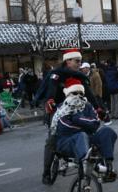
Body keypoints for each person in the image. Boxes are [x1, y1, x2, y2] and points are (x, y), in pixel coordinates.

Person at [32, 49, 102, 184]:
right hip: (57, 110)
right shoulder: (56, 74)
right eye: (77, 61)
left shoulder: (80, 76)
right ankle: (46, 172)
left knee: (89, 131)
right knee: (51, 141)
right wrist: (50, 100)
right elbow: (51, 89)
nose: (79, 64)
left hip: (77, 110)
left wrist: (99, 107)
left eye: (80, 61)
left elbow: (89, 94)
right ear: (67, 61)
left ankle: (88, 160)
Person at [54, 77, 118, 182]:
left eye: (80, 93)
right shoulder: (62, 108)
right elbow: (65, 126)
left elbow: (96, 122)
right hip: (67, 141)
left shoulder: (87, 105)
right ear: (68, 94)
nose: (78, 95)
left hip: (87, 139)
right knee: (81, 135)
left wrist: (77, 119)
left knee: (107, 131)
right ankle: (87, 165)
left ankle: (108, 166)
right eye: (74, 93)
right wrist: (86, 124)